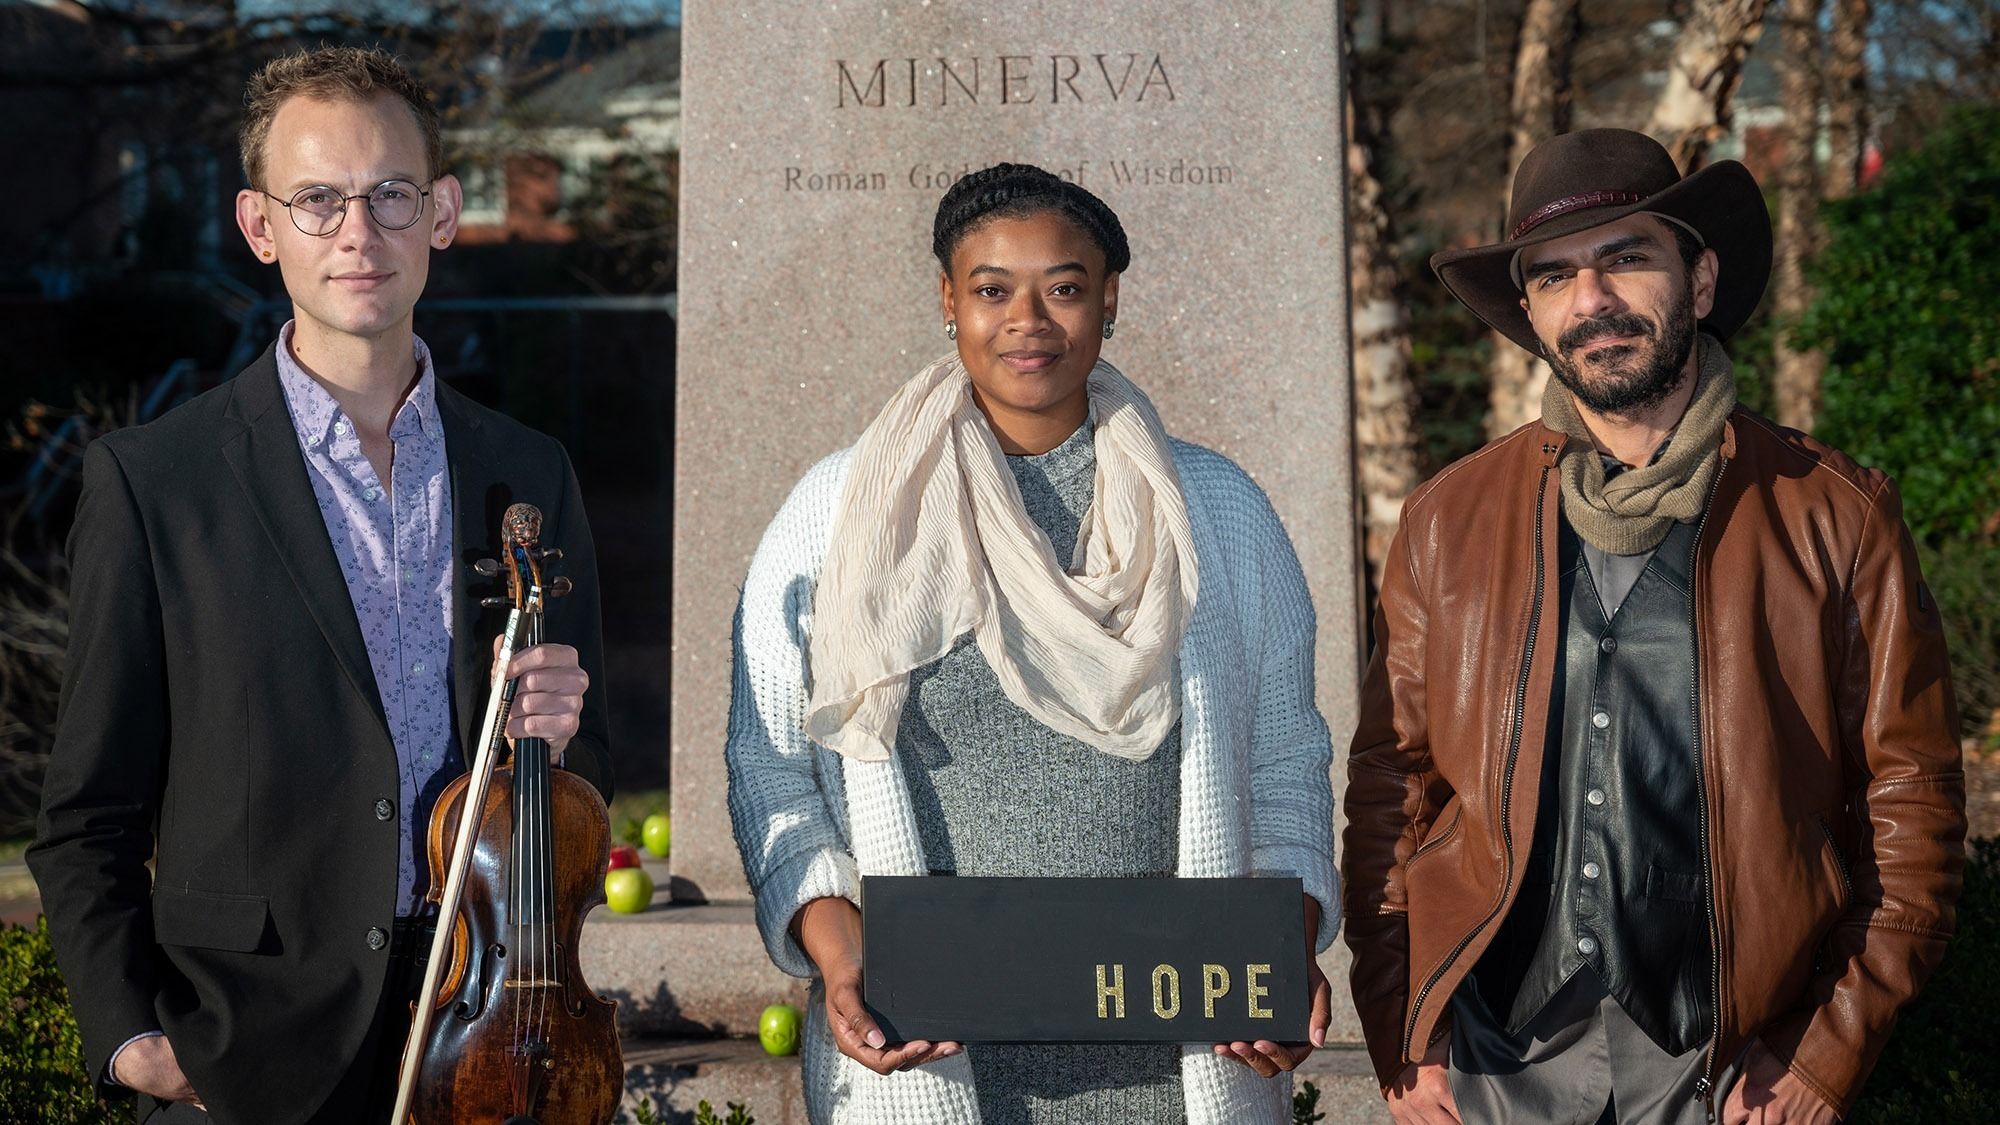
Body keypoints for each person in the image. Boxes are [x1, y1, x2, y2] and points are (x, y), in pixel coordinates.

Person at [27, 46, 612, 1125]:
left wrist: (562, 735)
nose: (359, 231)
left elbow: (589, 773)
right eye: (319, 200)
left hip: (479, 1037)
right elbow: (87, 815)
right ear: (260, 228)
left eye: (391, 194)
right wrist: (134, 1042)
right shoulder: (156, 484)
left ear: (440, 211)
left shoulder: (528, 473)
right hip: (245, 1063)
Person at [1342, 127, 1965, 1125]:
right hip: (1493, 1059)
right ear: (1530, 316)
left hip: (1724, 1067)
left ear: (1700, 278)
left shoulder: (1833, 513)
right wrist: (1402, 1032)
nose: (1589, 303)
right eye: (1550, 277)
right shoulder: (1444, 521)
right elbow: (1390, 788)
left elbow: (1912, 804)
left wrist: (1824, 1049)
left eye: (1624, 259)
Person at [723, 162, 1337, 1124]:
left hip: (1181, 1066)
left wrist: (1283, 953)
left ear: (1109, 301)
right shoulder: (837, 513)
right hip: (928, 1057)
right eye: (992, 289)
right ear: (947, 301)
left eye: (1064, 287)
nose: (1029, 320)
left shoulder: (1218, 511)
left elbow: (1287, 759)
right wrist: (844, 959)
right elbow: (772, 765)